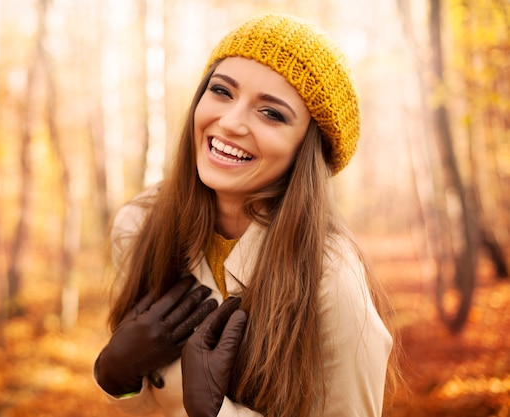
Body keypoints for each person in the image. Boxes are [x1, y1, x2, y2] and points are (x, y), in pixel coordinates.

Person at [94, 12, 397, 417]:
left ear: (305, 150)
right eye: (222, 91)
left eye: (271, 113)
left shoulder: (331, 279)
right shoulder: (138, 225)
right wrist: (117, 381)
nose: (231, 122)